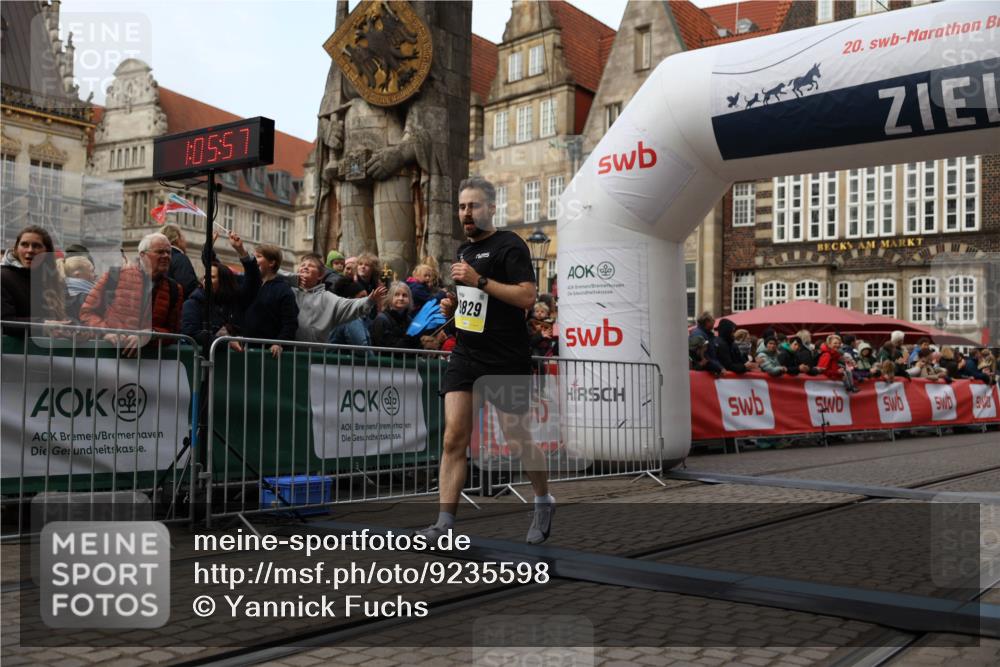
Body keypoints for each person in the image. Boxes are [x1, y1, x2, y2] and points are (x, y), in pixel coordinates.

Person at [417, 177, 553, 545]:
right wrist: (454, 309)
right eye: (462, 207)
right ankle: (443, 523)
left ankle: (543, 499)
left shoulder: (510, 245)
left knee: (517, 439)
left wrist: (479, 281)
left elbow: (527, 297)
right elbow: (476, 307)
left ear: (491, 208)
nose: (466, 213)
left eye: (473, 206)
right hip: (467, 354)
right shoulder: (463, 250)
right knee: (453, 438)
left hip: (506, 356)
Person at [80, 232, 181, 356]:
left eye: (168, 252)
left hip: (149, 363)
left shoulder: (174, 289)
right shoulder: (114, 276)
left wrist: (151, 335)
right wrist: (105, 332)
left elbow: (173, 331)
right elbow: (87, 313)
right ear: (143, 255)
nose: (166, 256)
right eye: (160, 252)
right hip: (107, 358)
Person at [181, 231, 260, 351]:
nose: (206, 280)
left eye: (212, 277)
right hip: (206, 361)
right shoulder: (193, 303)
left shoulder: (236, 300)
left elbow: (253, 280)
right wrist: (225, 343)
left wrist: (241, 251)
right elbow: (191, 333)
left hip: (236, 360)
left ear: (223, 281)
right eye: (205, 276)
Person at [294, 253, 385, 343]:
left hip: (316, 350)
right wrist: (294, 279)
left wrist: (369, 300)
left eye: (311, 266)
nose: (305, 267)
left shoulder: (327, 297)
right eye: (302, 265)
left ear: (320, 275)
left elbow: (349, 305)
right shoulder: (291, 292)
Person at [1, 225, 69, 335]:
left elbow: (70, 316)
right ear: (16, 249)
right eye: (24, 244)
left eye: (36, 246)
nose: (30, 250)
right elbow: (4, 321)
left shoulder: (57, 282)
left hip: (52, 345)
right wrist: (42, 325)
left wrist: (78, 330)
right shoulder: (3, 278)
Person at [243, 244, 298, 358]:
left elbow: (290, 323)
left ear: (272, 263)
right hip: (245, 350)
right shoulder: (250, 284)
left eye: (258, 256)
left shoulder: (284, 290)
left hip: (269, 355)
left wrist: (279, 343)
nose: (254, 260)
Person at [370, 281, 421, 349]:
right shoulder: (381, 319)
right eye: (397, 295)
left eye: (404, 295)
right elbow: (388, 346)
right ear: (390, 298)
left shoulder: (409, 320)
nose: (401, 298)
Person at [160, 223, 199, 297]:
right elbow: (188, 287)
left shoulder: (160, 258)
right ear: (177, 239)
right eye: (183, 237)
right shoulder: (180, 258)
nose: (185, 241)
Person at [62, 255, 97, 322]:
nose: (95, 275)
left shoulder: (62, 292)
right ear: (78, 275)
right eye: (92, 271)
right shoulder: (84, 297)